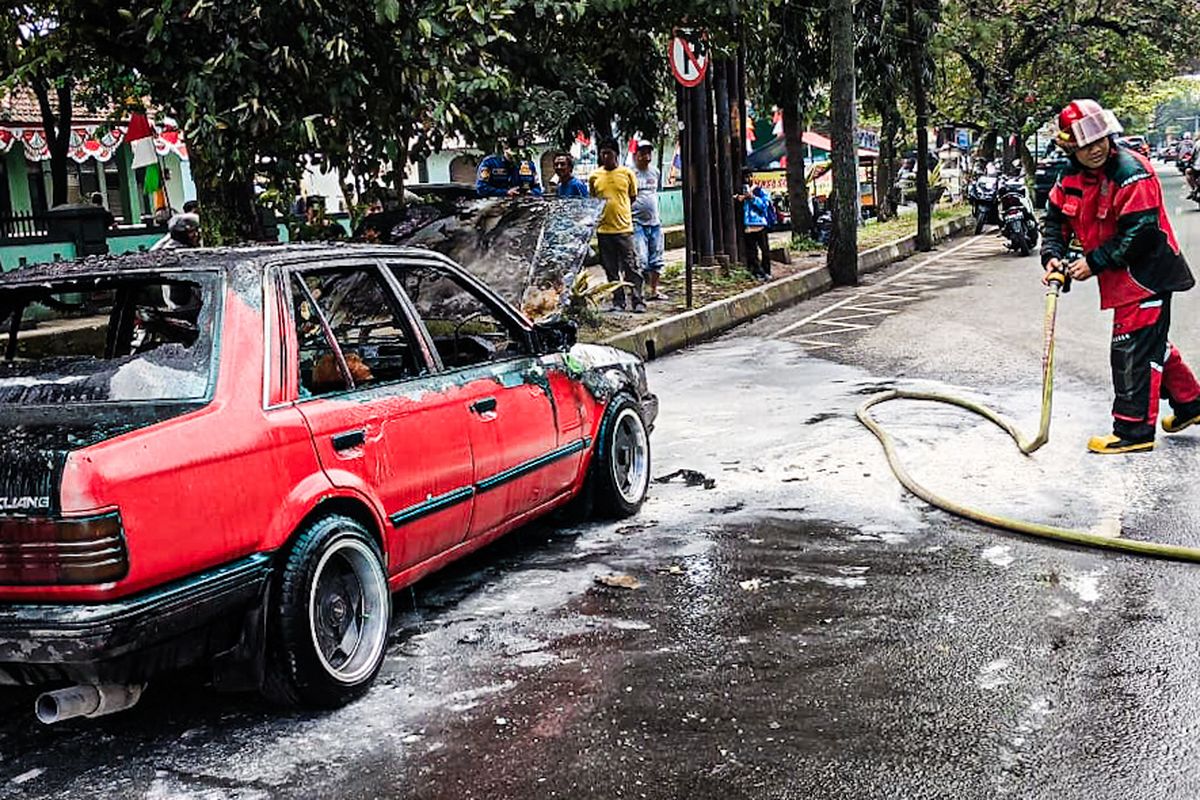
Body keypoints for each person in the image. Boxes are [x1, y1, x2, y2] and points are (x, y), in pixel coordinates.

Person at [1042, 98, 1200, 454]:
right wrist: (1053, 257)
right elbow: (1056, 220)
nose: (1095, 149)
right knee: (1148, 342)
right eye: (1084, 145)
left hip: (1148, 275)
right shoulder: (1068, 177)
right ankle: (1191, 404)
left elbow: (1140, 232)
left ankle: (1133, 432)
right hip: (1121, 280)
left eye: (1099, 140)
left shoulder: (1132, 171)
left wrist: (1093, 262)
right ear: (1070, 147)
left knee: (1132, 350)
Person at [588, 137, 644, 312]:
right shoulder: (594, 176)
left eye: (609, 153)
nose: (605, 156)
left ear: (616, 155)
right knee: (610, 268)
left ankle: (638, 300)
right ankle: (618, 301)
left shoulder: (627, 174)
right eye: (603, 153)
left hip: (623, 229)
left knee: (631, 266)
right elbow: (593, 200)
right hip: (604, 230)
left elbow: (632, 197)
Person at [631, 141, 666, 300]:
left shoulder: (655, 172)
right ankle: (641, 289)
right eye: (642, 153)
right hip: (636, 222)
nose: (646, 157)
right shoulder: (630, 174)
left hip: (655, 222)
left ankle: (654, 290)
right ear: (635, 155)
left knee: (657, 258)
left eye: (648, 153)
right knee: (641, 259)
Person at [737, 168, 773, 280]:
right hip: (748, 226)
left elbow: (764, 206)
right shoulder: (741, 191)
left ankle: (767, 271)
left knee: (765, 251)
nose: (747, 179)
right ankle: (758, 272)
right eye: (745, 177)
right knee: (752, 253)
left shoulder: (759, 191)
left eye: (749, 176)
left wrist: (753, 198)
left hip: (760, 224)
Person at [476, 137, 544, 198]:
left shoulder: (529, 165)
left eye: (520, 151)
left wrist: (531, 193)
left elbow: (537, 188)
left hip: (522, 206)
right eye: (514, 151)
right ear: (505, 149)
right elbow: (481, 188)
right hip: (496, 207)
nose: (517, 155)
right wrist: (505, 192)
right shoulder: (490, 163)